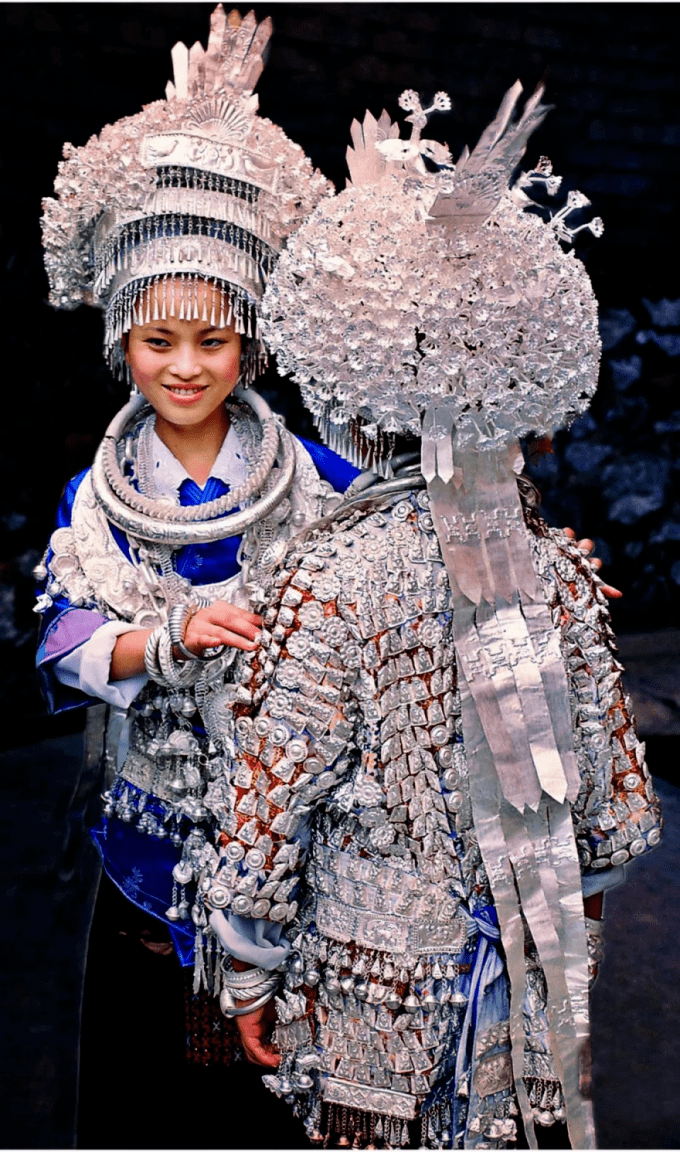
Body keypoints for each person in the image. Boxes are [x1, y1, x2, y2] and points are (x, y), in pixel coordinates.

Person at [190, 83, 663, 1150]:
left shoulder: (327, 576)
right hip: (530, 980)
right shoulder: (555, 571)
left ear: (352, 398)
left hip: (375, 996)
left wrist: (248, 966)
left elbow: (274, 802)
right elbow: (615, 807)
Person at [34, 9, 357, 1144]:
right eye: (157, 341)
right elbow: (62, 644)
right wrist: (165, 642)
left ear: (253, 345)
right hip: (147, 841)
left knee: (272, 1102)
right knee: (145, 1099)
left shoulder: (320, 477)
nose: (183, 367)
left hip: (291, 840)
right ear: (122, 334)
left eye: (211, 341)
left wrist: (518, 579)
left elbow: (411, 557)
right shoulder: (98, 493)